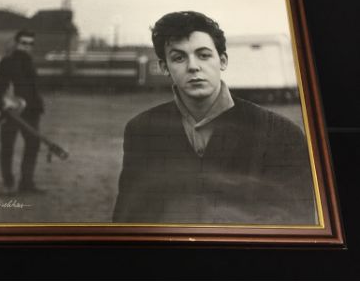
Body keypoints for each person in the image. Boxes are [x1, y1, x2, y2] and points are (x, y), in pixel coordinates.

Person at [113, 11, 317, 225]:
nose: (193, 66)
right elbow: (129, 221)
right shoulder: (142, 130)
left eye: (203, 55)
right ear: (165, 68)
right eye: (179, 57)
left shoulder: (281, 133)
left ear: (222, 60)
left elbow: (296, 225)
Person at [0, 29, 45, 195]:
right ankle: (8, 184)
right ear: (17, 43)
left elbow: (33, 90)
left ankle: (26, 183)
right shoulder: (7, 61)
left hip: (31, 112)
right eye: (24, 43)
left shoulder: (31, 63)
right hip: (11, 111)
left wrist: (36, 107)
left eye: (30, 44)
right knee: (7, 146)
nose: (27, 47)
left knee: (33, 144)